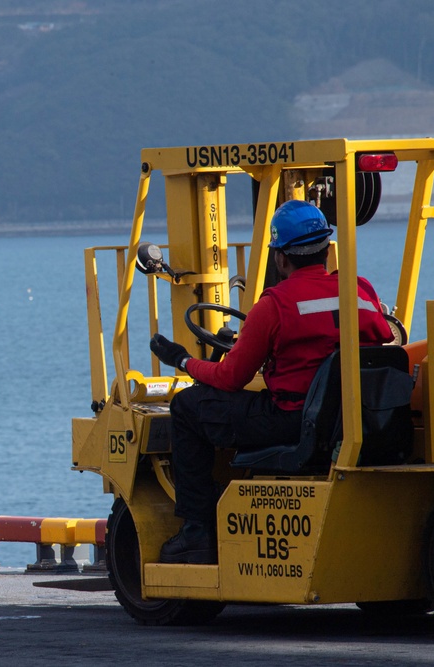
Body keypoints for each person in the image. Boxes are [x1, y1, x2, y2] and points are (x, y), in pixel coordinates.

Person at [149, 200, 393, 564]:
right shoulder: (360, 291)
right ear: (326, 250)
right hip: (357, 417)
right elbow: (386, 335)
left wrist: (183, 361)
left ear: (280, 259)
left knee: (187, 407)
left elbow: (231, 378)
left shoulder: (275, 305)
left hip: (294, 420)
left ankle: (197, 532)